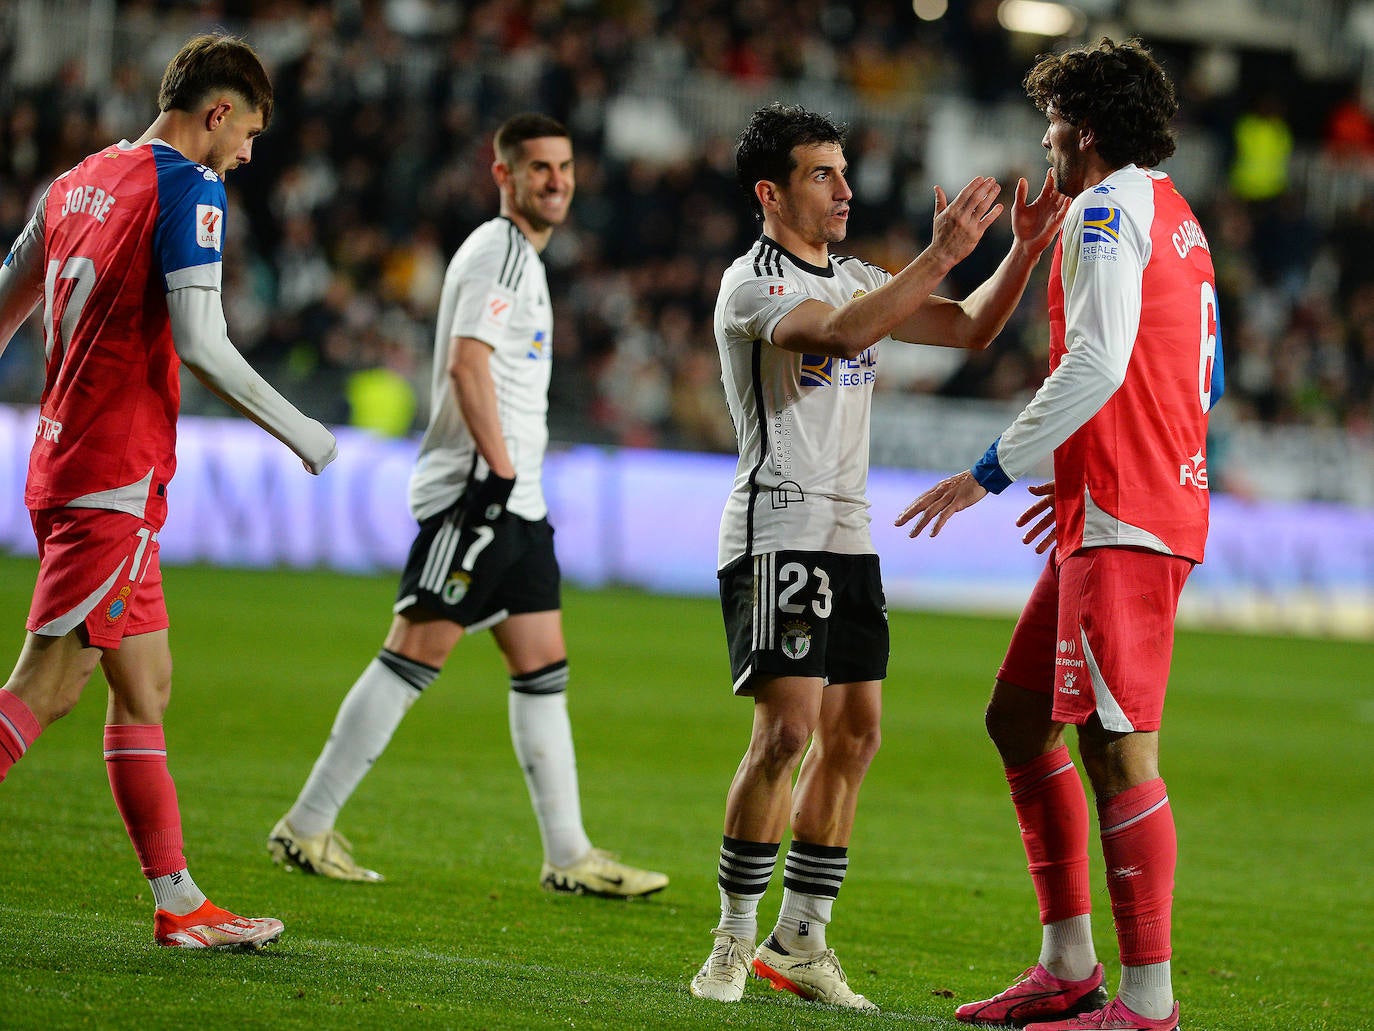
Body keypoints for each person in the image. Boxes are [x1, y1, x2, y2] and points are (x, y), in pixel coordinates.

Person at [689, 102, 1068, 1010]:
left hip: (849, 535)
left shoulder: (858, 274)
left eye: (844, 170)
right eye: (823, 174)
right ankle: (731, 942)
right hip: (777, 527)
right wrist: (939, 254)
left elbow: (971, 328)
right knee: (784, 733)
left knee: (855, 735)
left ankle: (802, 940)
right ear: (770, 192)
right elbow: (843, 334)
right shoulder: (753, 286)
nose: (846, 189)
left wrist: (1021, 249)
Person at [896, 38, 1223, 1031]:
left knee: (1120, 748)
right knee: (1017, 716)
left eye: (1049, 124)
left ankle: (1147, 1004)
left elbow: (1098, 365)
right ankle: (1067, 963)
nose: (1041, 142)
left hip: (1126, 514)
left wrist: (990, 470)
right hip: (1120, 499)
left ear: (1082, 131)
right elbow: (1188, 374)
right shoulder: (1173, 215)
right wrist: (1081, 470)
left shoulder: (1100, 209)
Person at [268, 113, 668, 899]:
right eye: (538, 168)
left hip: (517, 501)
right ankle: (306, 825)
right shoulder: (502, 252)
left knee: (541, 664)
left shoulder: (522, 258)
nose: (555, 181)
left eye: (564, 167)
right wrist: (496, 469)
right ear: (504, 176)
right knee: (414, 650)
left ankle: (569, 853)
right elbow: (465, 364)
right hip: (481, 493)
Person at [0, 34, 337, 949]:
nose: (248, 155)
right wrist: (302, 430)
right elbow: (201, 340)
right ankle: (179, 901)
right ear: (217, 110)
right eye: (251, 134)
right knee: (51, 682)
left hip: (71, 460)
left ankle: (180, 901)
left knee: (144, 684)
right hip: (111, 473)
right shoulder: (191, 186)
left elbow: (6, 297)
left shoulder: (75, 182)